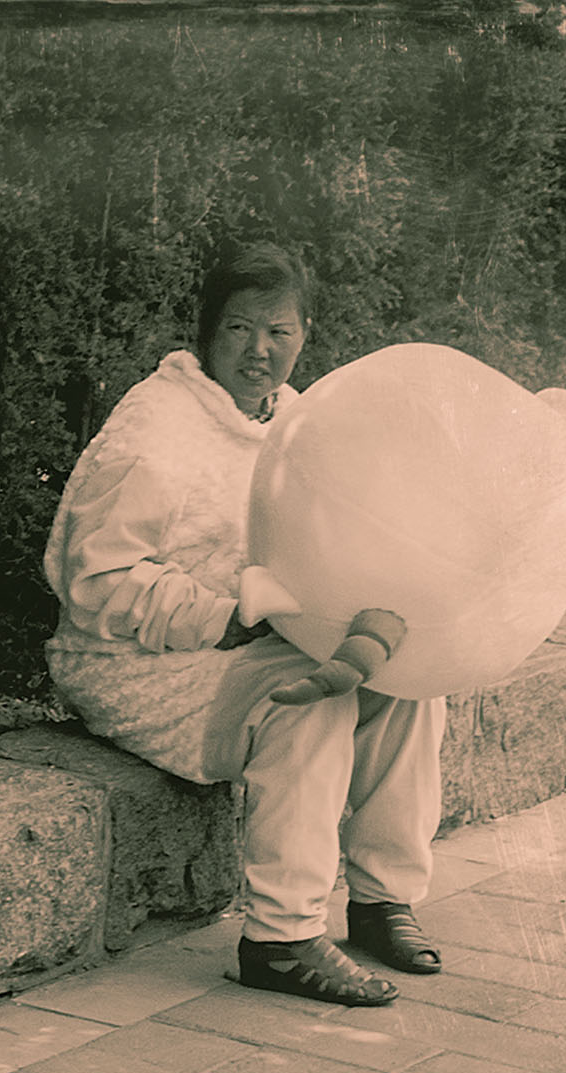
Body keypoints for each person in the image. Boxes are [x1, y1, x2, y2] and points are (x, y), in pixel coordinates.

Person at [41, 243, 444, 1008]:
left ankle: (381, 899)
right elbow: (93, 583)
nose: (259, 350)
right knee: (307, 701)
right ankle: (281, 940)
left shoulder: (296, 420)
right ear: (206, 331)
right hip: (134, 662)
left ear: (305, 334)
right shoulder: (154, 432)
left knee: (408, 683)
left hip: (252, 641)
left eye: (278, 332)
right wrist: (221, 616)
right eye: (238, 329)